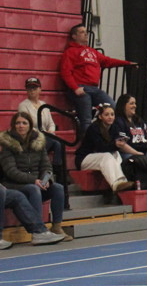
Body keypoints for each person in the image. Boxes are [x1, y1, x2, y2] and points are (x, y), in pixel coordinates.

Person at [0, 112, 70, 240]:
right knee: (34, 189)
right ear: (13, 125)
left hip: (36, 182)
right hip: (14, 184)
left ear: (30, 125)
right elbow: (11, 171)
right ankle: (39, 230)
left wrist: (46, 179)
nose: (21, 126)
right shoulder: (7, 144)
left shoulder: (38, 141)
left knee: (58, 188)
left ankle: (57, 226)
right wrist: (34, 180)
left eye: (24, 123)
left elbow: (46, 166)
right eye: (18, 123)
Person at [59, 23, 136, 133]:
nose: (86, 34)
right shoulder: (70, 52)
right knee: (86, 119)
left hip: (94, 88)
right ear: (74, 36)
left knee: (113, 107)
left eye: (86, 32)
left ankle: (110, 136)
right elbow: (66, 72)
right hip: (81, 88)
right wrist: (75, 88)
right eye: (82, 32)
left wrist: (127, 63)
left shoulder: (92, 51)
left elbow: (108, 61)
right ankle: (87, 141)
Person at [75, 103, 135, 193]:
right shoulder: (94, 128)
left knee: (116, 154)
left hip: (100, 157)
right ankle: (115, 184)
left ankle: (123, 182)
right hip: (84, 159)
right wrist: (115, 144)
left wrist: (120, 143)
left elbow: (113, 145)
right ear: (100, 116)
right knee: (107, 156)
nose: (110, 117)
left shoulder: (114, 127)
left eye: (112, 114)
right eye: (106, 115)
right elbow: (101, 147)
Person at [18, 77, 66, 175]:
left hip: (45, 136)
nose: (32, 90)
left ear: (40, 89)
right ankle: (57, 172)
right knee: (57, 143)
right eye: (29, 88)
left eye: (34, 88)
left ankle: (56, 170)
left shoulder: (44, 105)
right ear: (26, 90)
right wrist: (43, 133)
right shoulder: (23, 106)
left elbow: (51, 123)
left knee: (58, 143)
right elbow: (26, 126)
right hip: (31, 138)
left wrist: (50, 131)